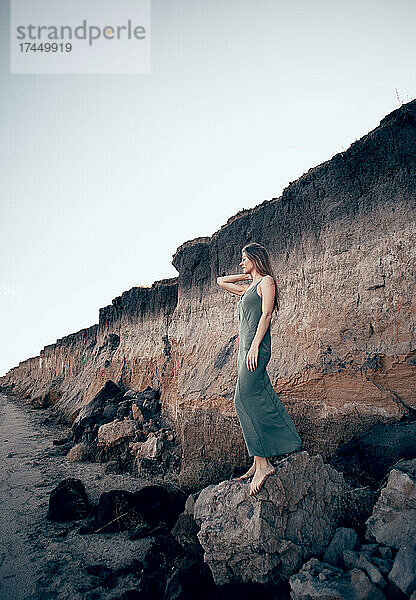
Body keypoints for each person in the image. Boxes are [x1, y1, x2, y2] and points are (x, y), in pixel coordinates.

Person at [217, 242, 303, 496]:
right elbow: (221, 281)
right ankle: (257, 461)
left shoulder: (267, 282)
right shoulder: (248, 287)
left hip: (256, 348)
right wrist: (247, 273)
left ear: (256, 258)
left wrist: (255, 347)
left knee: (242, 398)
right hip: (245, 349)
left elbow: (266, 316)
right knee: (246, 401)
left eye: (245, 259)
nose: (241, 263)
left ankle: (264, 464)